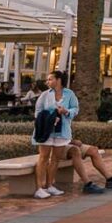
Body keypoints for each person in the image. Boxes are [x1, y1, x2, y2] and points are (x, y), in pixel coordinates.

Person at [32, 70, 78, 199]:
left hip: (61, 130)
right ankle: (39, 188)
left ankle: (50, 185)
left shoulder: (70, 94)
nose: (47, 82)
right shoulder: (45, 95)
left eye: (50, 79)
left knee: (56, 159)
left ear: (58, 80)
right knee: (43, 157)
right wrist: (49, 118)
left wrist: (66, 111)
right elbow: (38, 111)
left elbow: (75, 109)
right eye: (47, 80)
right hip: (46, 131)